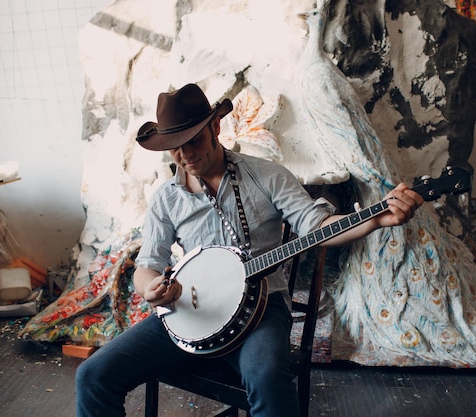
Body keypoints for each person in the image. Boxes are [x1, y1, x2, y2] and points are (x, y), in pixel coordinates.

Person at [75, 82, 423, 417]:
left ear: (215, 126)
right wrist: (150, 288)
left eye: (193, 142)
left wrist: (377, 219)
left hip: (261, 311)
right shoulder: (167, 197)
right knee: (93, 375)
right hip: (189, 312)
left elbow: (316, 227)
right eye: (175, 147)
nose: (185, 156)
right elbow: (147, 266)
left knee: (268, 378)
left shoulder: (267, 175)